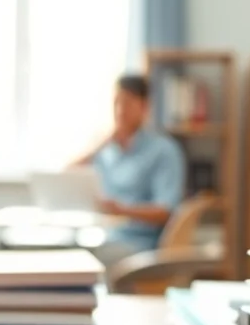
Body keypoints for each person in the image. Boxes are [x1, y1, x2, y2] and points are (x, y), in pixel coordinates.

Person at [74, 74, 186, 266]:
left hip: (141, 245)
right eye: (116, 103)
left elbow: (166, 211)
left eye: (126, 104)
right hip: (102, 236)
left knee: (82, 259)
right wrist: (98, 146)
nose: (119, 111)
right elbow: (67, 176)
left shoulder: (163, 151)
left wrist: (122, 210)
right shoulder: (107, 150)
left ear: (144, 107)